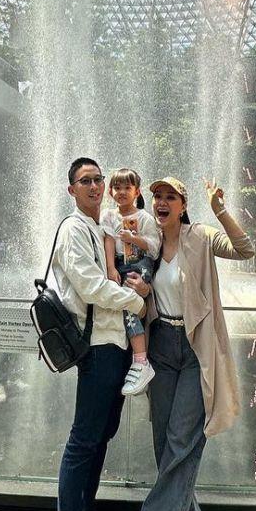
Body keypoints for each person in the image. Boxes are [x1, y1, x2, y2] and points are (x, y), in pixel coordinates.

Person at [117, 177, 254, 511]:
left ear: (182, 205)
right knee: (166, 449)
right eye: (156, 196)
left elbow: (245, 250)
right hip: (161, 348)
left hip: (195, 352)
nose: (160, 202)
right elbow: (136, 284)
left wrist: (221, 210)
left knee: (181, 443)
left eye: (169, 197)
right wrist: (138, 288)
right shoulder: (150, 240)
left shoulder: (200, 236)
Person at [50, 156, 149, 511]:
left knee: (101, 435)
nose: (94, 186)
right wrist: (135, 301)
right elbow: (89, 286)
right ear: (71, 190)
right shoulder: (74, 229)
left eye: (97, 179)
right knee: (83, 441)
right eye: (84, 181)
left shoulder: (101, 227)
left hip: (116, 346)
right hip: (95, 347)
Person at [102, 168, 160, 397]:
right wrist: (110, 268)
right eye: (117, 188)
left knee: (129, 307)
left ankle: (141, 361)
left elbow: (154, 249)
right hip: (119, 264)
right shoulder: (108, 216)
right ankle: (136, 359)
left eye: (127, 188)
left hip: (140, 264)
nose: (122, 192)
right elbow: (108, 242)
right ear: (110, 191)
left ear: (137, 191)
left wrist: (133, 238)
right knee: (125, 307)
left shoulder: (145, 218)